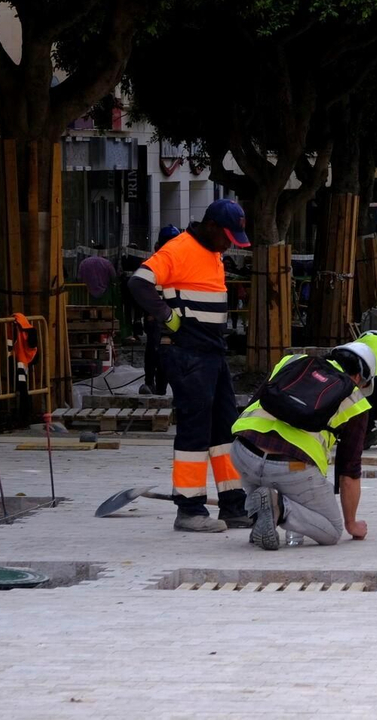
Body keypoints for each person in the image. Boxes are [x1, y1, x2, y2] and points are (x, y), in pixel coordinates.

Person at [128, 200, 251, 533]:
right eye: (227, 236)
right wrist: (171, 319)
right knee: (196, 429)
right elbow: (139, 283)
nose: (229, 244)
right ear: (210, 226)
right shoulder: (177, 249)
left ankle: (233, 505)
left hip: (211, 352)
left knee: (226, 428)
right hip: (187, 354)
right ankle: (190, 508)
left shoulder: (212, 251)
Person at [232, 341, 376, 549]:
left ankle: (264, 517)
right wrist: (351, 524)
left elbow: (259, 399)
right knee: (331, 529)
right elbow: (349, 472)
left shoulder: (293, 361)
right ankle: (279, 508)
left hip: (242, 451)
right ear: (358, 378)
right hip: (292, 467)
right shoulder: (356, 402)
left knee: (263, 486)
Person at [138, 225, 180, 396]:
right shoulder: (155, 262)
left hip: (169, 313)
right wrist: (149, 313)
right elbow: (144, 288)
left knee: (166, 350)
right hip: (156, 314)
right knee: (154, 348)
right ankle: (150, 382)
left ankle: (161, 387)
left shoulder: (177, 261)